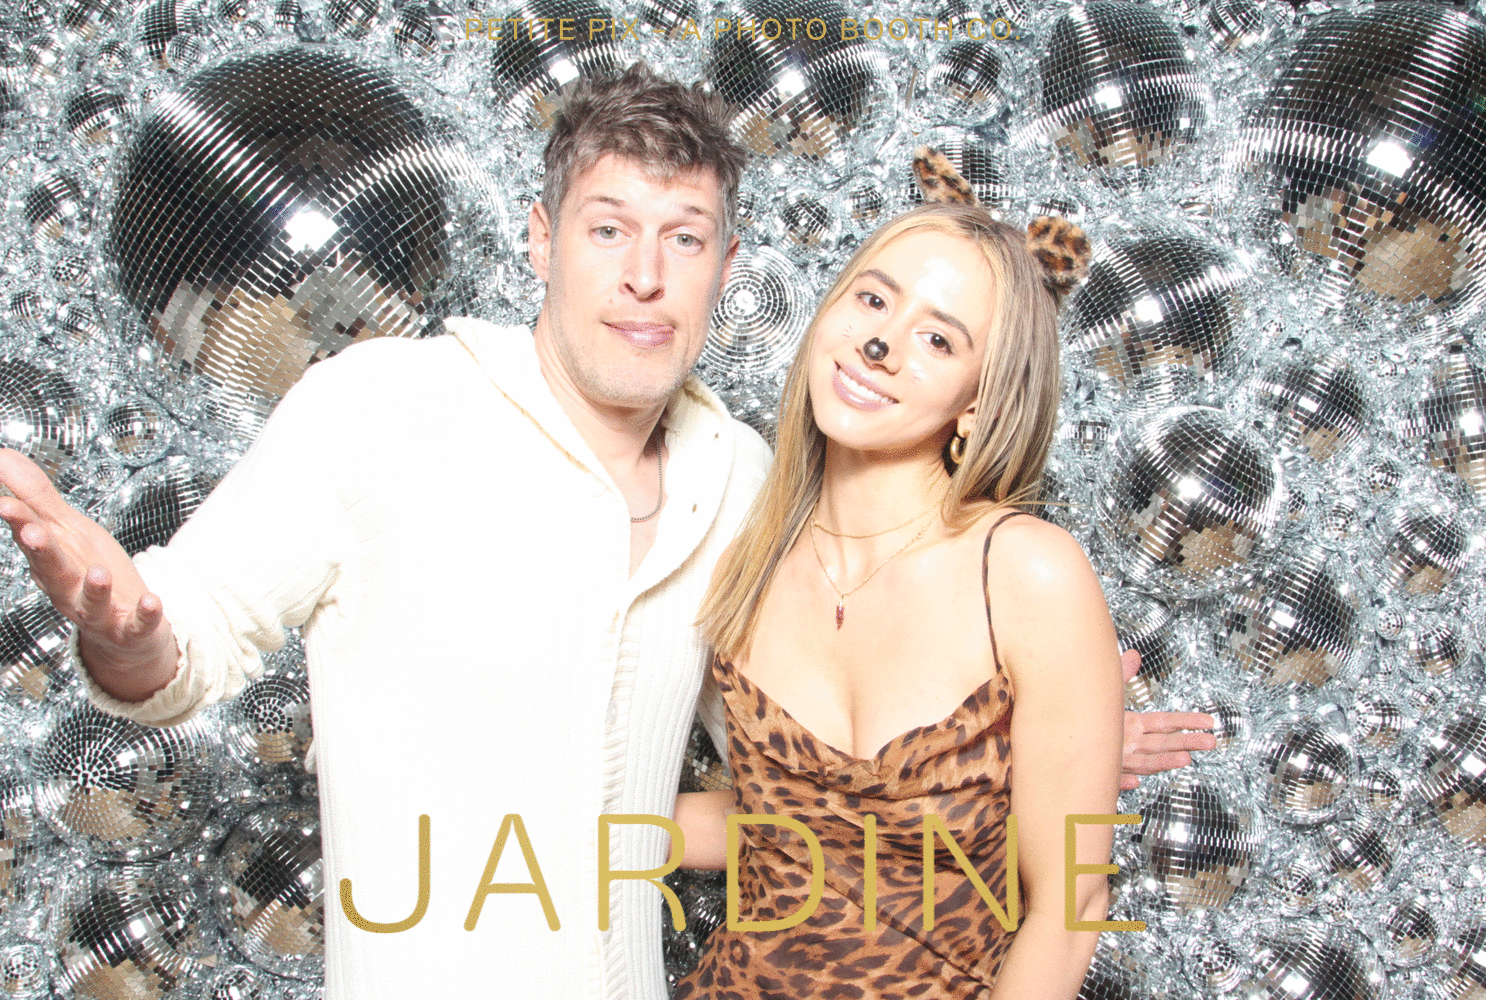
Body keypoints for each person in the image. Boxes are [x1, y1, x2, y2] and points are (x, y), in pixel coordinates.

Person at [0, 67, 1209, 1000]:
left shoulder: (743, 490)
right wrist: (128, 633)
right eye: (606, 228)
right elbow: (190, 637)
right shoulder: (378, 409)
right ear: (539, 238)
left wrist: (1015, 764)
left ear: (726, 267)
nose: (644, 275)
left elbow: (815, 810)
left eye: (683, 238)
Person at [670, 155, 1125, 998]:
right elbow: (779, 828)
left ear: (978, 402)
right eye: (874, 301)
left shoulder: (1025, 574)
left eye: (938, 338)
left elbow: (1072, 904)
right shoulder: (747, 559)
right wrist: (570, 818)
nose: (880, 344)